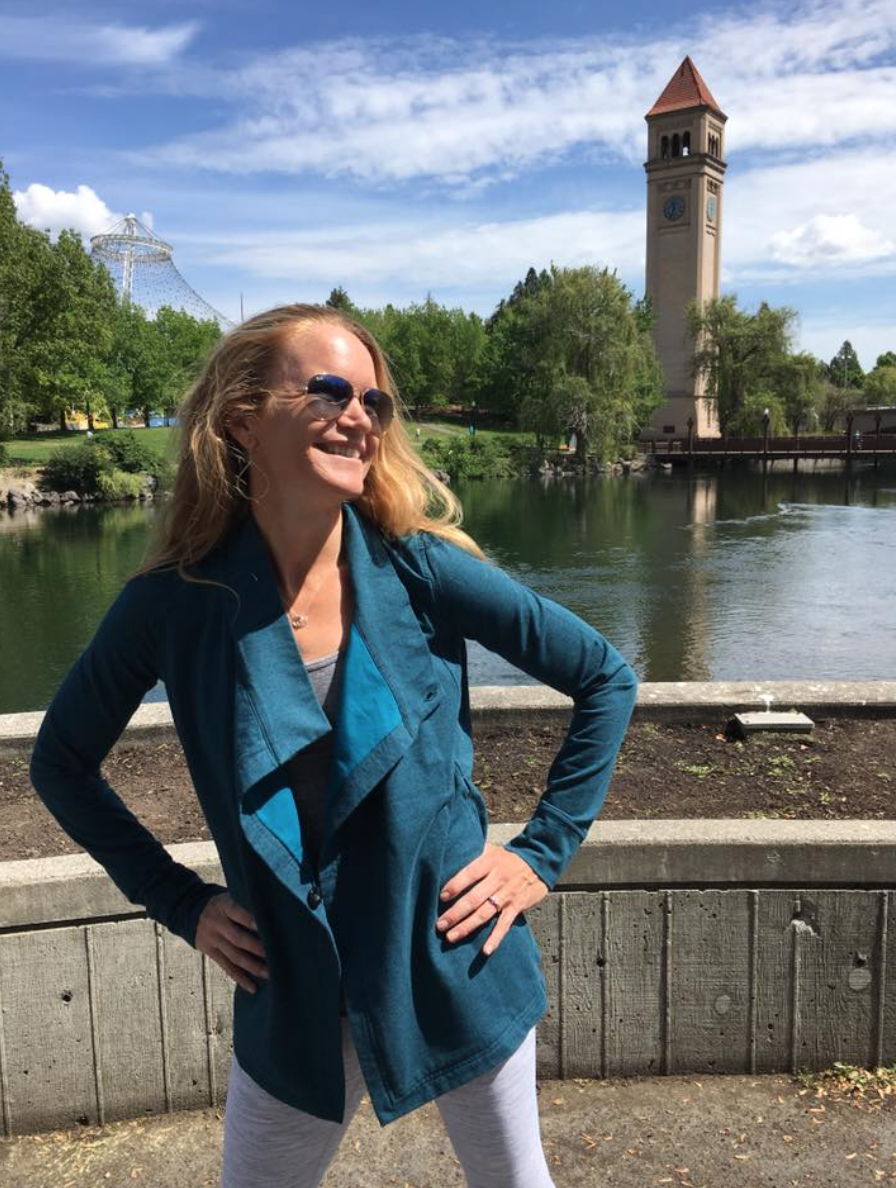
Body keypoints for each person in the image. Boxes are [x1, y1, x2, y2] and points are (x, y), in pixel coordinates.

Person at [30, 303, 638, 1187]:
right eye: (328, 391)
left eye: (373, 402)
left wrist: (539, 854)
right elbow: (60, 763)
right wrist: (180, 902)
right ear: (242, 420)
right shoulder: (173, 604)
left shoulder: (421, 570)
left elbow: (606, 679)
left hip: (454, 962)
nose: (359, 418)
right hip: (292, 992)